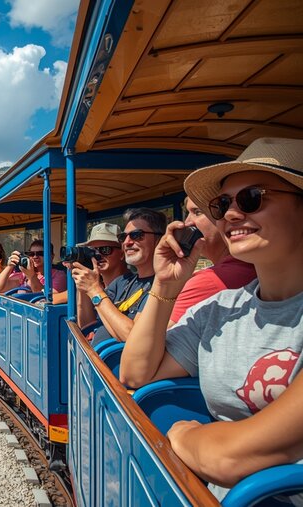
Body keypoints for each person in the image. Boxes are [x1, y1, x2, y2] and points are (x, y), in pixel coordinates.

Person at [119, 138, 303, 499]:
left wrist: (183, 436)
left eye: (252, 198)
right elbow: (136, 372)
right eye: (221, 205)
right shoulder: (221, 309)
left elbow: (229, 459)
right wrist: (166, 285)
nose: (231, 215)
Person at [75, 209, 166, 346]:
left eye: (136, 235)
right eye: (124, 237)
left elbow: (133, 337)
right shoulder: (122, 283)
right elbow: (89, 325)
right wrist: (84, 285)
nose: (127, 242)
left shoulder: (162, 286)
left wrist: (94, 289)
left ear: (159, 240)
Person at [166, 196, 257, 325]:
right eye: (187, 213)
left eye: (198, 212)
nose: (187, 223)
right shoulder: (255, 267)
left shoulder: (210, 280)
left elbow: (145, 341)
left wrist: (163, 284)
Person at [63, 222, 129, 322]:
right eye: (93, 251)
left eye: (105, 250)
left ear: (122, 253)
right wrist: (83, 287)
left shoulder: (132, 286)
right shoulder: (96, 284)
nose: (97, 255)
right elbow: (86, 327)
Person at [0, 239, 68, 294]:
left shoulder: (58, 275)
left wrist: (31, 276)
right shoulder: (24, 275)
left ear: (51, 257)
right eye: (31, 254)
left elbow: (47, 299)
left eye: (40, 253)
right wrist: (10, 266)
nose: (35, 257)